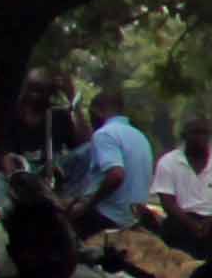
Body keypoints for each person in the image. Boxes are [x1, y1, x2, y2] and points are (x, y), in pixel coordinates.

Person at [54, 87, 157, 241]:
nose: (91, 121)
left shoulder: (105, 134)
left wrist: (87, 204)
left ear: (98, 111)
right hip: (132, 218)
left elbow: (116, 174)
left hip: (106, 217)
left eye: (90, 115)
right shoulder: (140, 137)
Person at [144, 117, 212, 262]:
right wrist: (191, 224)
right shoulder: (168, 162)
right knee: (170, 230)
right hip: (182, 220)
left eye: (205, 133)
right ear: (184, 135)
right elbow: (167, 202)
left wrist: (210, 222)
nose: (201, 137)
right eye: (196, 133)